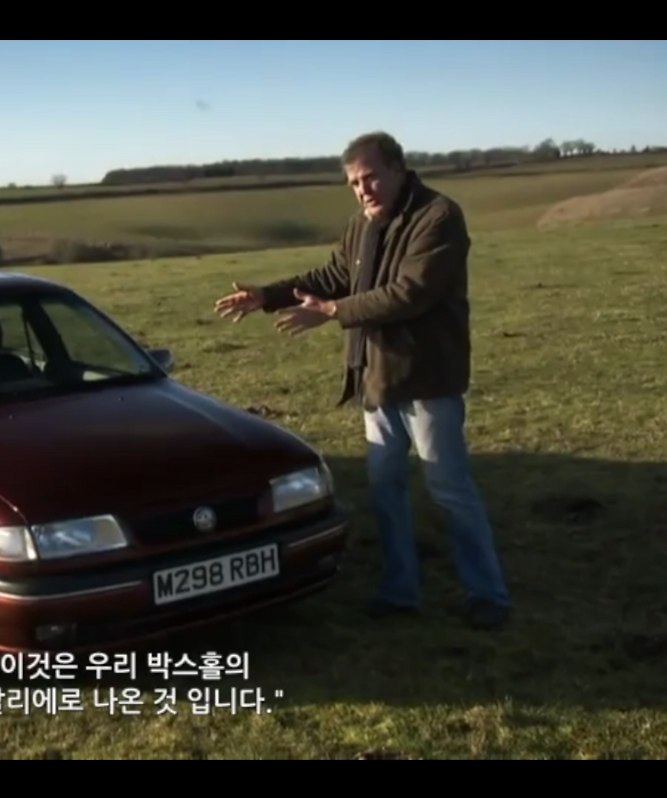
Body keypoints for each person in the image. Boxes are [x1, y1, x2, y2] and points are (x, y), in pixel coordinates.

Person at [213, 131, 509, 630]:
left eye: (370, 177)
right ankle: (400, 590)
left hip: (427, 378)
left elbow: (409, 293)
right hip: (375, 376)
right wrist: (267, 296)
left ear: (397, 169)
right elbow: (332, 276)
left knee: (449, 488)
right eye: (353, 182)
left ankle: (487, 593)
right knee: (385, 489)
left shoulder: (438, 217)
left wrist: (332, 312)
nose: (362, 190)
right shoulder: (361, 225)